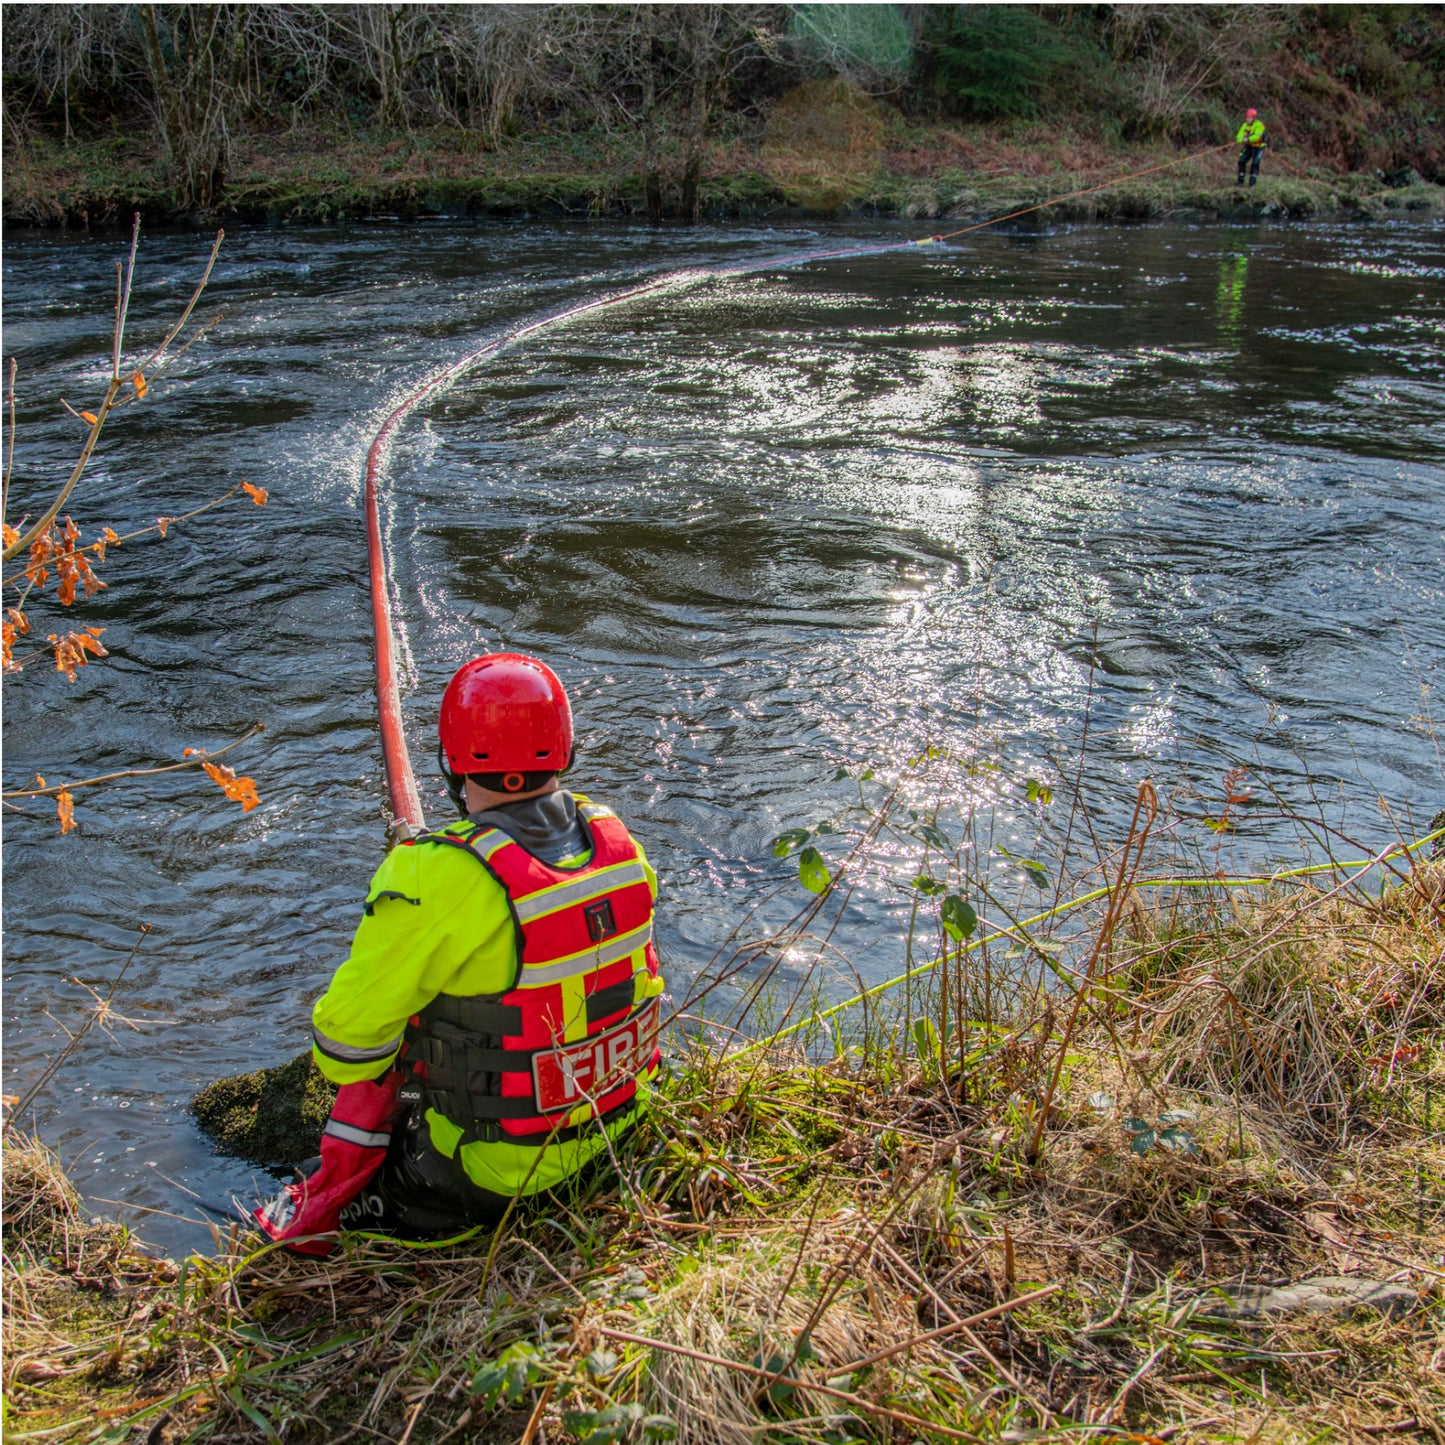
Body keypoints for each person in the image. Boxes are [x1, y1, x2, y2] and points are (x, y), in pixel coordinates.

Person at [257, 653, 664, 1253]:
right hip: (620, 1134)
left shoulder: (432, 872)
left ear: (451, 761)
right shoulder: (617, 839)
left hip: (489, 1180)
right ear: (565, 750)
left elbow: (345, 1050)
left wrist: (409, 885)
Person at [1236, 108, 1266, 187]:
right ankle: (1240, 182)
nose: (1248, 119)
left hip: (1258, 147)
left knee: (1255, 163)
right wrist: (1241, 139)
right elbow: (1239, 135)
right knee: (1241, 161)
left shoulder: (1259, 125)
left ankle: (1252, 184)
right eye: (1247, 117)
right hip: (1249, 146)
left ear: (1253, 118)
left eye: (1250, 118)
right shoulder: (1244, 125)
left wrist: (1248, 139)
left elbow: (1257, 136)